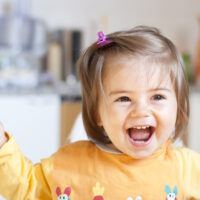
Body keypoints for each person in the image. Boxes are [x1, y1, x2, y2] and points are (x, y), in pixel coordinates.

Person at [0, 26, 200, 200]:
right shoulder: (72, 163)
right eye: (123, 99)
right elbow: (25, 187)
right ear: (97, 113)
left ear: (178, 107)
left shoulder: (188, 168)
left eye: (157, 97)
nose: (141, 111)